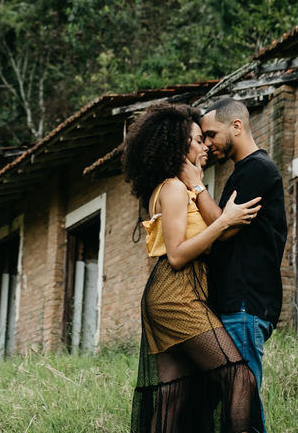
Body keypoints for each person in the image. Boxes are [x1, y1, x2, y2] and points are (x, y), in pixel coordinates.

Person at [124, 102, 265, 433]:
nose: (205, 146)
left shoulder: (180, 188)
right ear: (178, 144)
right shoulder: (173, 188)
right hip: (175, 295)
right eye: (198, 139)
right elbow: (176, 255)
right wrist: (225, 221)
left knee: (174, 396)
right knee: (240, 377)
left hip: (174, 294)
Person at [196, 98, 287, 430]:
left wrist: (195, 185)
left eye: (210, 134)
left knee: (242, 406)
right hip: (234, 305)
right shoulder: (243, 173)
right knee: (233, 405)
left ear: (236, 126)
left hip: (245, 305)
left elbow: (225, 230)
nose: (207, 144)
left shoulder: (258, 170)